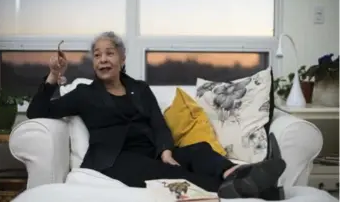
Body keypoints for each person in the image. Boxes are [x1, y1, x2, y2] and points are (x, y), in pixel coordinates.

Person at [27, 31, 286, 200]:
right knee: (171, 174)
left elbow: (158, 123)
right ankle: (244, 192)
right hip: (115, 161)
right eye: (97, 55)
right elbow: (37, 111)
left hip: (150, 152)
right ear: (93, 62)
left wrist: (165, 150)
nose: (102, 60)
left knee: (199, 150)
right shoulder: (84, 94)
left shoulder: (140, 89)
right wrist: (52, 76)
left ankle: (236, 174)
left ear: (122, 58)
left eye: (109, 53)